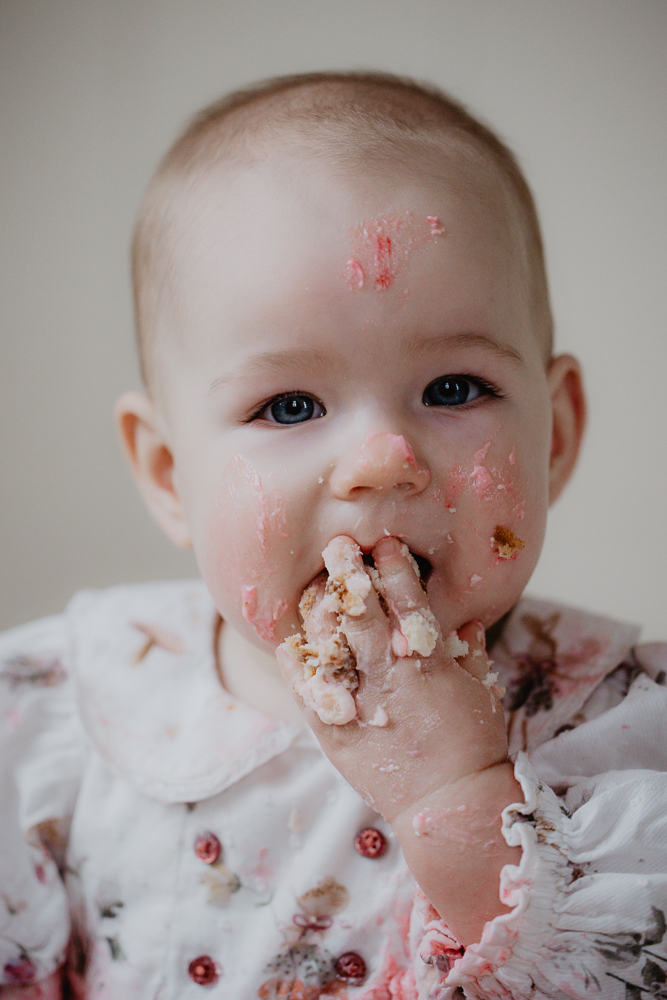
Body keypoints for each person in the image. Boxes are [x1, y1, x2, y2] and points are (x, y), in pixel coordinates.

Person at [1, 71, 665, 1000]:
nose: (382, 461)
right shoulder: (54, 726)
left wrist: (462, 799)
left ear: (550, 436)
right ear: (167, 475)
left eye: (452, 389)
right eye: (289, 404)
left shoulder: (623, 732)